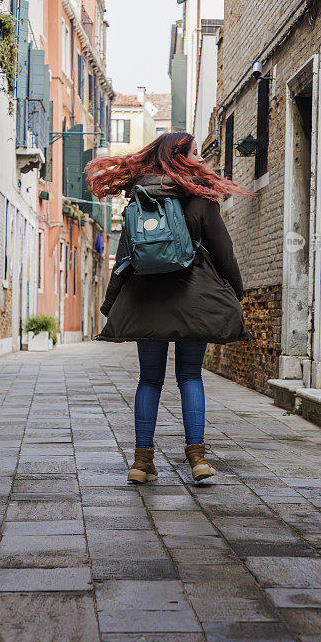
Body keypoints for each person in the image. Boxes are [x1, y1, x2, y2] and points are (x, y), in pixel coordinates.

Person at [87, 131, 251, 484]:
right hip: (196, 301)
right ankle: (197, 459)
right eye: (196, 153)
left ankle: (141, 462)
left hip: (147, 301)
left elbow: (124, 257)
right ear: (181, 157)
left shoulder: (138, 201)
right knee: (190, 376)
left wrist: (111, 301)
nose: (202, 160)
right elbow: (224, 255)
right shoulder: (201, 200)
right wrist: (237, 293)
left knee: (149, 379)